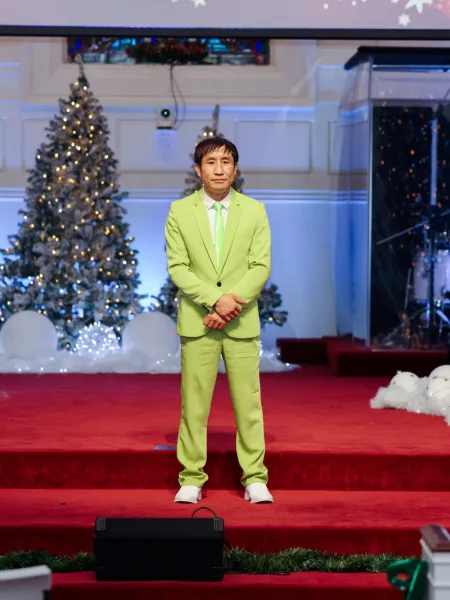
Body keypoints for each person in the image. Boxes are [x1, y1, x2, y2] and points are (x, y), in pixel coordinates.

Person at [164, 136, 273, 504]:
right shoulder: (179, 211)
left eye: (226, 162)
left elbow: (260, 266)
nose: (219, 169)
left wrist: (229, 306)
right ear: (199, 170)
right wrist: (215, 301)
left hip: (241, 323)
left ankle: (254, 478)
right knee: (194, 406)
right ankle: (191, 477)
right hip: (199, 322)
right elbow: (178, 267)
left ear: (235, 168)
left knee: (248, 404)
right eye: (211, 162)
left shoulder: (254, 210)